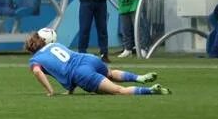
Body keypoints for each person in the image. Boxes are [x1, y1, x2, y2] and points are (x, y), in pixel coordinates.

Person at [25, 29, 168, 96]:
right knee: (110, 74)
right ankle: (139, 78)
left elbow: (38, 71)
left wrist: (50, 91)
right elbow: (65, 63)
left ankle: (150, 90)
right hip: (89, 59)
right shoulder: (55, 45)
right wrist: (70, 91)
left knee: (118, 91)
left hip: (81, 73)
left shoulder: (35, 60)